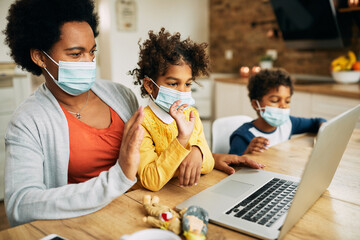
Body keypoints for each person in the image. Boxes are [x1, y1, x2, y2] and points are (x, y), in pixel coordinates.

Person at [3, 0, 144, 226]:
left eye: (92, 51)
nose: (89, 62)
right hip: (81, 227)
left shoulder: (121, 96)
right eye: (76, 54)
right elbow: (20, 206)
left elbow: (158, 150)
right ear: (39, 57)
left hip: (137, 215)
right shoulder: (28, 121)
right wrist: (118, 178)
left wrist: (199, 152)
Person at [130, 28, 264, 191]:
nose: (182, 91)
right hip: (148, 200)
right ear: (150, 85)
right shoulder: (141, 124)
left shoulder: (191, 115)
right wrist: (182, 140)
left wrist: (197, 151)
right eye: (173, 84)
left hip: (183, 192)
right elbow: (151, 180)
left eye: (187, 84)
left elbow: (207, 164)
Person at [229, 68, 326, 156]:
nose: (283, 106)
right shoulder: (243, 136)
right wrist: (246, 153)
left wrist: (323, 127)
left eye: (287, 101)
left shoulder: (288, 123)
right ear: (255, 104)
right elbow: (231, 167)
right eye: (275, 100)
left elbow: (317, 122)